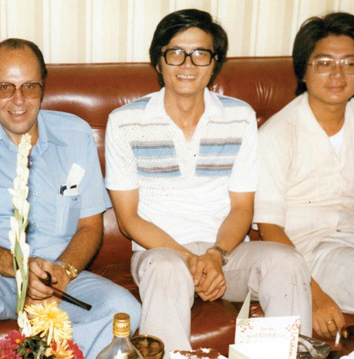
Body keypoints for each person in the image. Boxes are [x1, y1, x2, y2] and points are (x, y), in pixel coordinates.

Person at [104, 9, 312, 353]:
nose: (187, 64)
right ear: (159, 62)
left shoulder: (239, 116)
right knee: (167, 267)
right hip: (160, 254)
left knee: (286, 260)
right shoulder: (125, 122)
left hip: (226, 255)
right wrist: (190, 259)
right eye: (175, 53)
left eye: (200, 53)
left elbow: (242, 207)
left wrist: (215, 257)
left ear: (215, 64)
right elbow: (129, 221)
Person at [0, 38, 141, 358]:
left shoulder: (76, 134)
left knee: (124, 310)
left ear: (43, 86)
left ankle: (18, 353)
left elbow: (90, 227)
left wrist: (62, 276)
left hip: (59, 279)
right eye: (4, 87)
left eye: (30, 86)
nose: (19, 100)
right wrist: (19, 268)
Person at [254, 12, 354, 339]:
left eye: (350, 63)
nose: (338, 74)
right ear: (303, 72)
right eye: (324, 63)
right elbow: (269, 228)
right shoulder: (277, 134)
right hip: (308, 255)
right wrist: (314, 294)